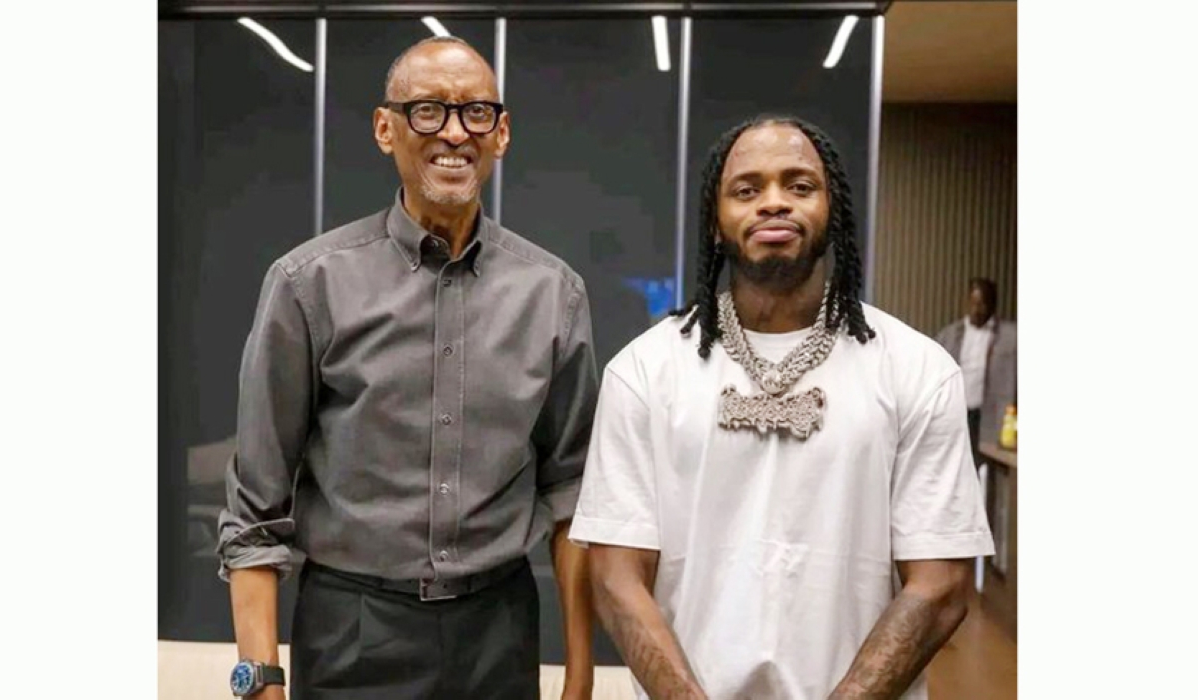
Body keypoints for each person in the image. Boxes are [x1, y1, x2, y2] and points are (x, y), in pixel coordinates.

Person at [217, 36, 597, 700]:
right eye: (427, 110)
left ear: (501, 133)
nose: (454, 132)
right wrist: (261, 686)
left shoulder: (553, 293)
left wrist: (580, 675)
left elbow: (571, 492)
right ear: (384, 128)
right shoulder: (309, 284)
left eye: (475, 112)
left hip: (498, 632)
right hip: (350, 632)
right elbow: (255, 511)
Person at [569, 114, 994, 700]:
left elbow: (941, 585)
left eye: (799, 186)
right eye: (747, 189)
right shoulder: (644, 371)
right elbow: (616, 578)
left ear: (832, 211)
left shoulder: (918, 370)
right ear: (716, 224)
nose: (773, 203)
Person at [934, 277, 1017, 460]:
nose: (977, 310)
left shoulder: (1011, 337)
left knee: (986, 465)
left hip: (990, 414)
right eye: (974, 303)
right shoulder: (949, 335)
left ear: (993, 306)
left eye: (983, 305)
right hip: (957, 410)